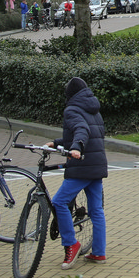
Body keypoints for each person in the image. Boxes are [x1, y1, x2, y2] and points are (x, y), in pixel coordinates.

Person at [52, 77, 108, 268]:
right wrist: (57, 143)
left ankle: (71, 243)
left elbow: (81, 130)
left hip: (81, 166)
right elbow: (90, 133)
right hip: (96, 166)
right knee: (96, 210)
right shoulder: (94, 110)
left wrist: (76, 147)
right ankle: (99, 252)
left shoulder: (71, 110)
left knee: (59, 201)